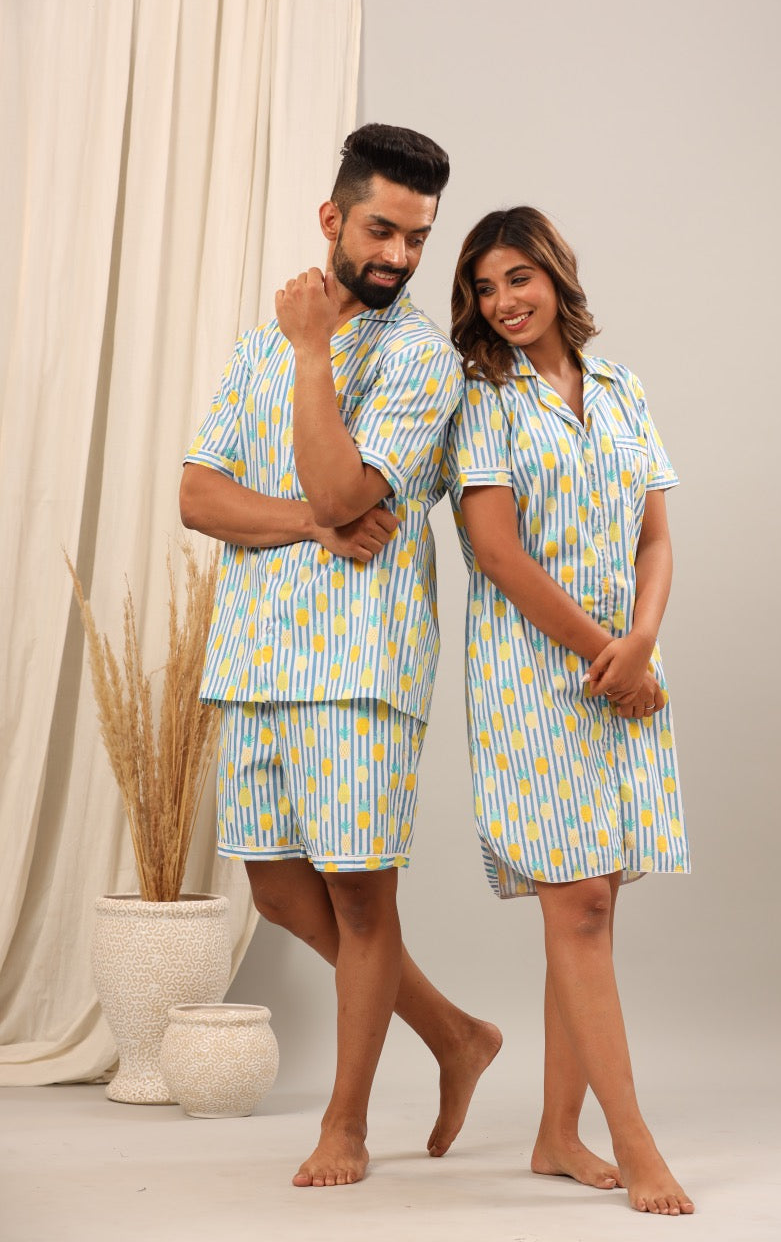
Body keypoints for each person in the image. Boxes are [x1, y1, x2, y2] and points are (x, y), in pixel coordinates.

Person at [180, 124, 501, 1188]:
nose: (401, 256)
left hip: (359, 667)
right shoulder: (257, 337)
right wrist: (317, 525)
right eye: (381, 229)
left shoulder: (420, 358)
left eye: (417, 236)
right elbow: (198, 496)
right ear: (332, 217)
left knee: (361, 900)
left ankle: (347, 1126)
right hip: (255, 660)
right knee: (276, 892)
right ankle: (456, 1034)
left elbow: (341, 490)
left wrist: (315, 359)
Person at [445, 207, 693, 1216]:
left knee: (587, 909)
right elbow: (497, 553)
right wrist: (606, 653)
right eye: (483, 287)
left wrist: (637, 642)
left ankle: (555, 1134)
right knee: (578, 906)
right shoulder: (480, 398)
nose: (503, 302)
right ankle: (634, 1146)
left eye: (518, 278)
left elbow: (655, 537)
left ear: (554, 274)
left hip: (622, 672)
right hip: (532, 678)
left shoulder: (623, 389)